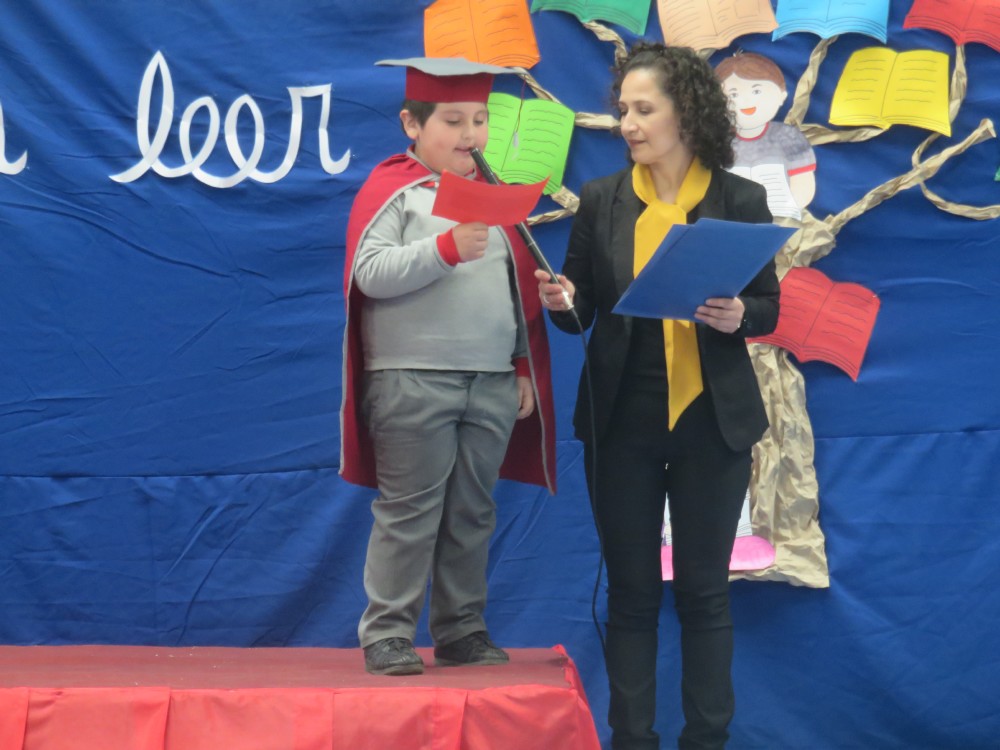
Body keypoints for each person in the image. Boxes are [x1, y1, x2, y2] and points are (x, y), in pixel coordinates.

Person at [536, 42, 779, 749]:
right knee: (633, 593)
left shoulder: (741, 199)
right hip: (622, 422)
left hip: (712, 422)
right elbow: (580, 312)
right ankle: (632, 739)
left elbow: (768, 305)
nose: (628, 124)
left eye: (643, 110)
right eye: (623, 110)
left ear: (687, 114)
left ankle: (707, 740)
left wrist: (742, 315)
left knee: (705, 591)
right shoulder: (602, 200)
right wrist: (561, 300)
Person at [341, 57, 556, 676]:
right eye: (453, 121)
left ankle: (462, 630)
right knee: (409, 511)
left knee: (473, 511)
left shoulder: (497, 196)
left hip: (490, 381)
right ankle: (388, 633)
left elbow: (514, 289)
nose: (471, 133)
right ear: (412, 124)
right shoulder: (394, 190)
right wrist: (442, 248)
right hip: (411, 379)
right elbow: (368, 273)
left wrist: (520, 364)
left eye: (480, 120)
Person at [715, 51, 816, 221]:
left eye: (756, 91)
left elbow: (803, 185)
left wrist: (787, 210)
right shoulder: (718, 140)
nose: (746, 101)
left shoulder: (789, 136)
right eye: (733, 94)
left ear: (782, 96)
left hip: (781, 218)